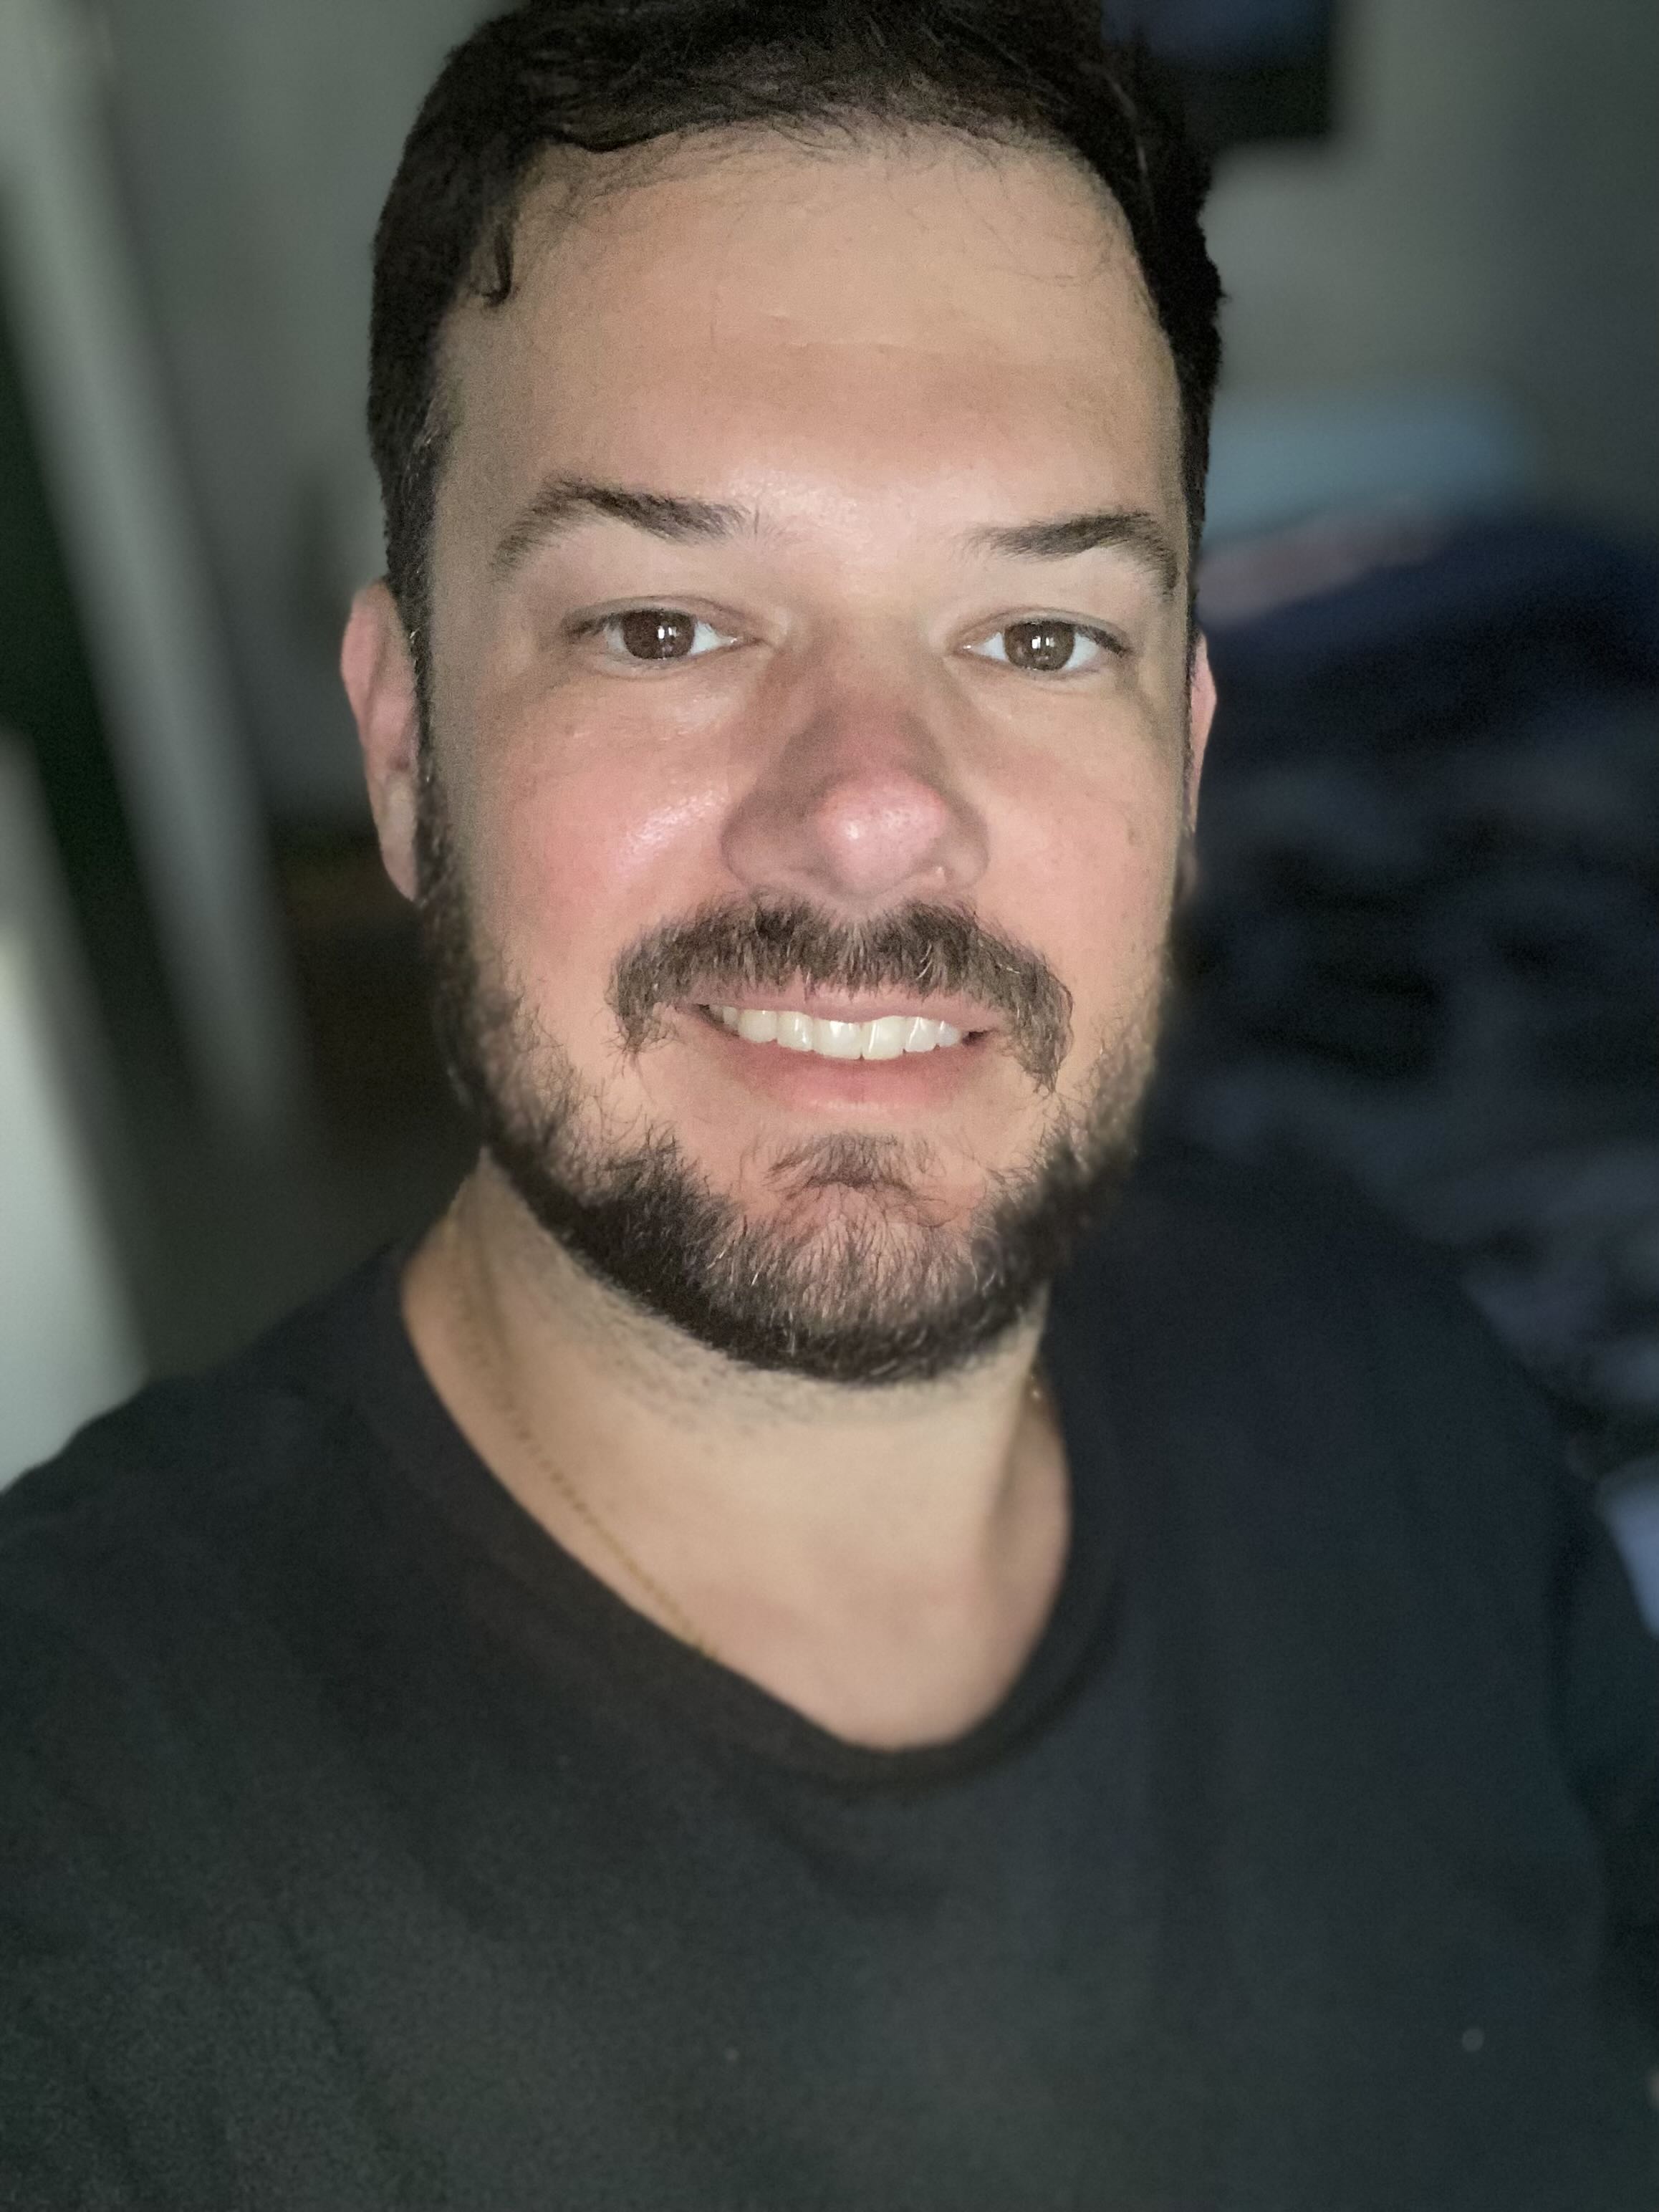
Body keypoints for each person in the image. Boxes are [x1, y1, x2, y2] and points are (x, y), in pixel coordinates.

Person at [2, 3, 1655, 2204]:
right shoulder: (76, 1853)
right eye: (665, 627)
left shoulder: (1392, 1374)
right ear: (403, 750)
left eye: (1040, 637)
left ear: (1180, 766)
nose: (873, 814)